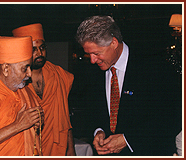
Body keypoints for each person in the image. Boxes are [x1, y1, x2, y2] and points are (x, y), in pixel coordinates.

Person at [75, 15, 181, 156]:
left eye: (96, 53)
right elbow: (92, 113)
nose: (93, 60)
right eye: (89, 54)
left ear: (113, 43)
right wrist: (98, 131)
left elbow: (173, 116)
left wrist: (128, 139)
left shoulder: (154, 66)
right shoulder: (93, 72)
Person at [12, 23, 76, 156]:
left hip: (56, 148)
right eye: (33, 49)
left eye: (42, 48)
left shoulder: (58, 75)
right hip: (26, 149)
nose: (40, 53)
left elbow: (65, 116)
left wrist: (71, 149)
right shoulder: (15, 82)